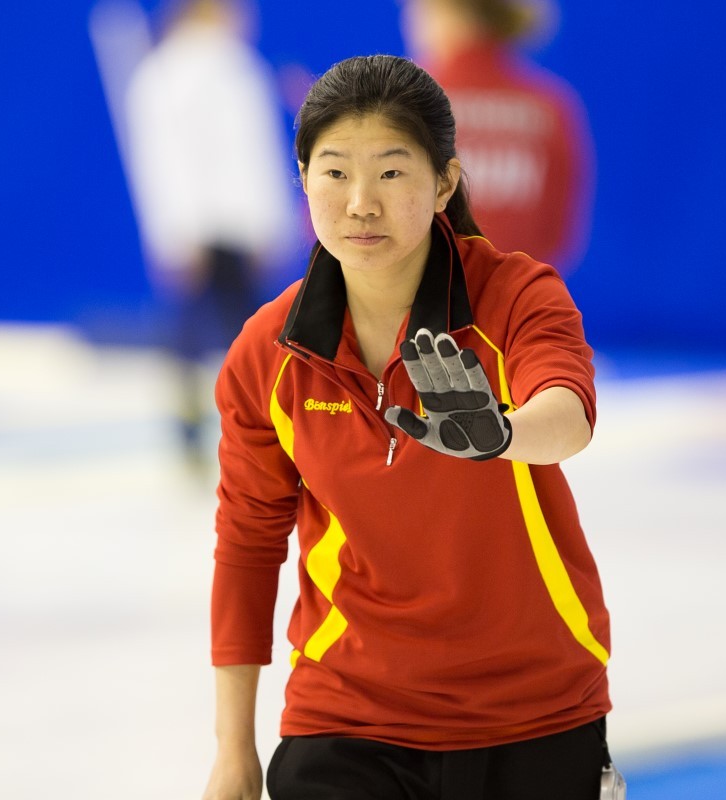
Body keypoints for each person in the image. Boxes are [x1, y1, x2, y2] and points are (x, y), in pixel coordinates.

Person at [204, 55, 618, 800]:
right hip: (345, 715)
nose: (361, 203)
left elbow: (568, 411)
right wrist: (234, 749)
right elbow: (247, 543)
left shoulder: (515, 294)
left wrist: (502, 434)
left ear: (445, 183)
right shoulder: (266, 352)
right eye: (335, 173)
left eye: (391, 173)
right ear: (303, 179)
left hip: (535, 708)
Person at [123, 0, 296, 468]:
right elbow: (164, 160)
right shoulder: (167, 73)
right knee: (190, 339)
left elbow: (255, 151)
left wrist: (267, 224)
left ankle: (261, 433)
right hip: (201, 231)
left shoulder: (239, 66)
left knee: (253, 338)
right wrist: (179, 231)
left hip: (241, 228)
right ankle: (191, 436)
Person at [399, 0, 594, 275]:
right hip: (519, 291)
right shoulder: (550, 106)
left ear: (445, 11)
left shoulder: (405, 101)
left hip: (422, 292)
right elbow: (557, 232)